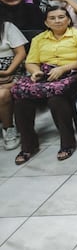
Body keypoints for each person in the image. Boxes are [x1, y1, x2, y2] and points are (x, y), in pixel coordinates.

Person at [11, 6, 77, 163]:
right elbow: (31, 62)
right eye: (52, 18)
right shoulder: (39, 39)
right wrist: (36, 72)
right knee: (22, 101)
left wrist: (63, 68)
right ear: (46, 22)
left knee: (56, 99)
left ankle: (68, 143)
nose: (57, 21)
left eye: (61, 17)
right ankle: (28, 145)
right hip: (45, 78)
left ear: (69, 20)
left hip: (72, 77)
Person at [0, 19, 27, 151]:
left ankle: (9, 128)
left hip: (14, 72)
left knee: (3, 93)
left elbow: (21, 53)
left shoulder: (7, 27)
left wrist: (8, 71)